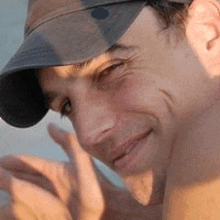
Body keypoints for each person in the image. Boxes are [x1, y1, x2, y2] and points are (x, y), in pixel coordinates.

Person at [1, 0, 220, 219]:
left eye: (110, 69)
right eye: (67, 105)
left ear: (209, 31)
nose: (88, 135)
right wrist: (122, 211)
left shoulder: (207, 142)